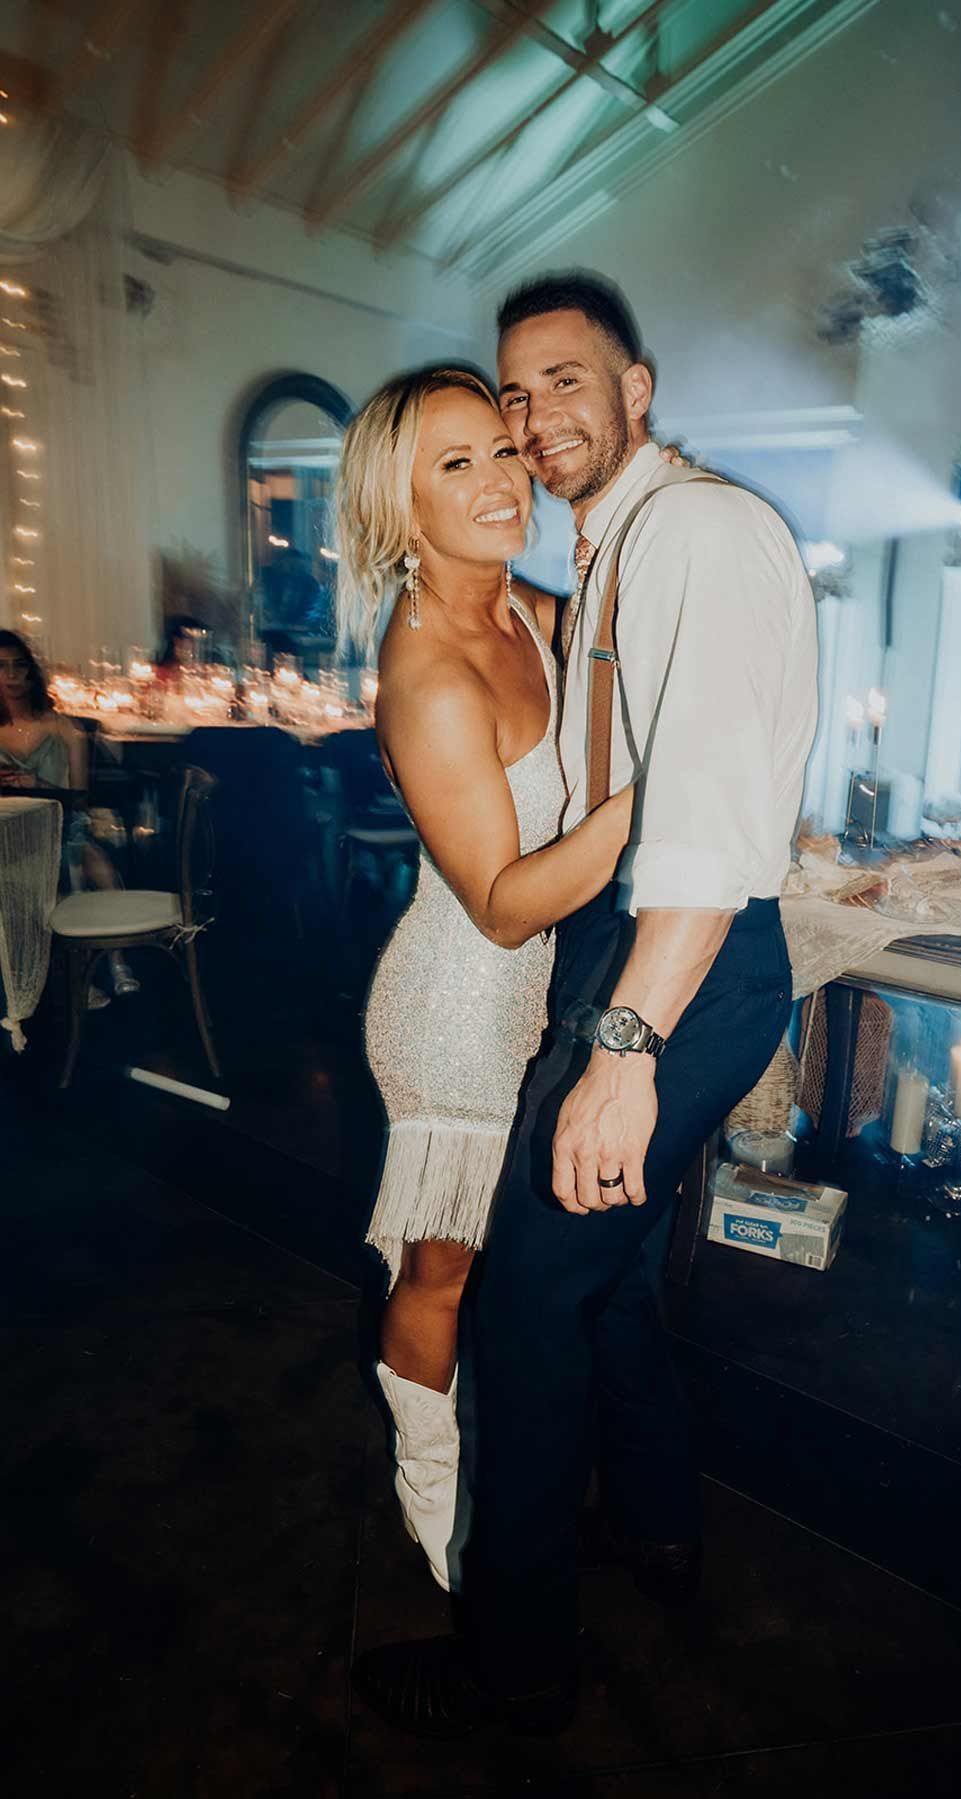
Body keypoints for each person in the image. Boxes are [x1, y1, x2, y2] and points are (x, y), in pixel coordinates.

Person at [353, 273, 819, 1736]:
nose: (525, 436)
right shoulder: (592, 564)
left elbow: (711, 809)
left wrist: (625, 1046)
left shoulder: (680, 538)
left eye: (557, 390)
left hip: (653, 977)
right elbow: (532, 867)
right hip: (509, 981)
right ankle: (641, 1530)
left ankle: (514, 1664)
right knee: (566, 1280)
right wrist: (647, 809)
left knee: (534, 1294)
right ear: (406, 500)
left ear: (638, 389)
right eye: (503, 412)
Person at [334, 365, 637, 1592]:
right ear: (400, 508)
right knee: (441, 1268)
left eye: (500, 449)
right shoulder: (428, 675)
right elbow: (505, 909)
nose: (500, 478)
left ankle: (508, 1479)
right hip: (458, 1006)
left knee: (517, 1267)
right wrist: (650, 806)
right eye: (453, 464)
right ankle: (431, 1497)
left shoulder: (521, 610)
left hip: (539, 1003)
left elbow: (631, 644)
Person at [0, 629, 137, 1004]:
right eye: (2, 667)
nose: (11, 676)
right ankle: (45, 978)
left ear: (31, 672)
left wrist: (39, 783)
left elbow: (79, 797)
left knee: (83, 860)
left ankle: (113, 963)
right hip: (9, 832)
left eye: (19, 666)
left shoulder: (63, 728)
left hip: (60, 823)